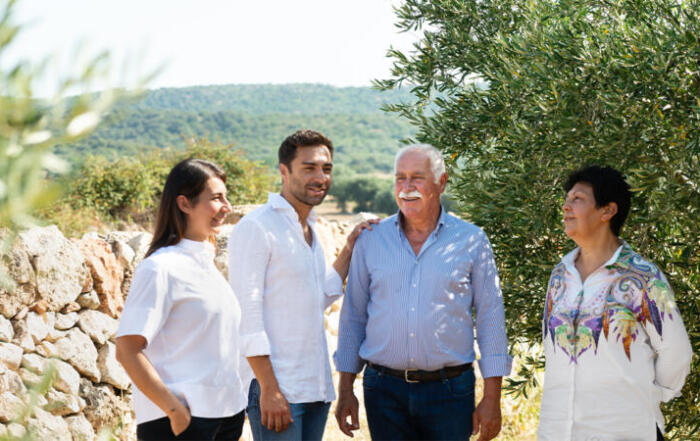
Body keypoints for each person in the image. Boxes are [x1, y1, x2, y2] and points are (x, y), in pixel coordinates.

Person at [334, 143, 512, 441]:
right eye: (400, 178)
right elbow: (353, 315)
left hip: (451, 393)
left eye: (417, 177)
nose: (407, 187)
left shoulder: (472, 240)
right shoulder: (371, 240)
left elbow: (491, 317)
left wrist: (492, 399)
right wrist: (345, 390)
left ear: (441, 183)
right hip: (383, 393)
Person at [228, 129, 376, 441]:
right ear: (284, 171)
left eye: (326, 168)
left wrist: (349, 249)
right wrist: (269, 389)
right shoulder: (257, 228)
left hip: (314, 388)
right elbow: (247, 318)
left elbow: (317, 297)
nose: (320, 177)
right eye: (309, 168)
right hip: (278, 390)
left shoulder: (308, 228)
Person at [538, 165, 693, 441]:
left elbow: (676, 352)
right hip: (558, 430)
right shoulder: (560, 275)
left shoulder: (643, 277)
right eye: (567, 199)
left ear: (607, 211)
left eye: (578, 199)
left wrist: (649, 395)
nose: (565, 207)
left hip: (625, 430)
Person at [115, 159, 246, 441]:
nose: (227, 206)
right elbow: (127, 349)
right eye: (216, 198)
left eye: (226, 197)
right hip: (183, 423)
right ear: (185, 204)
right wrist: (175, 411)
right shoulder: (159, 268)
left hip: (226, 415)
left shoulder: (206, 262)